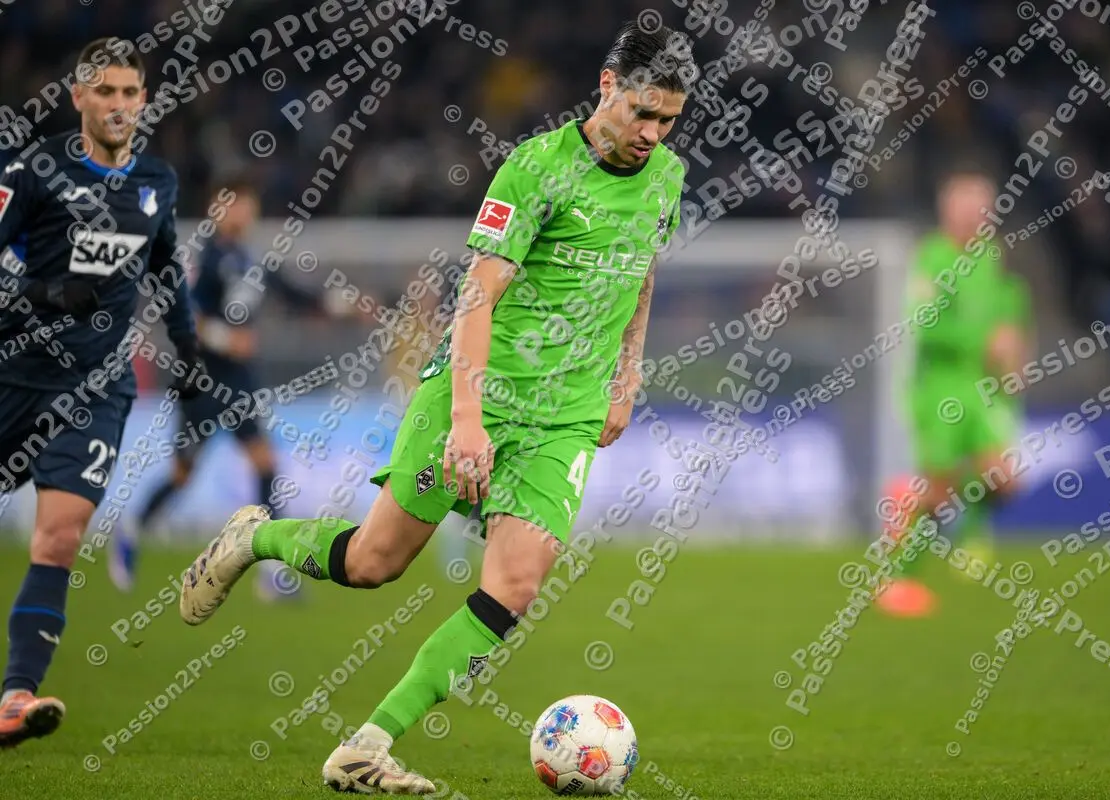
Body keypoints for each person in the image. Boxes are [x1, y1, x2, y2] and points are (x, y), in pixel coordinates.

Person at [178, 20, 692, 794]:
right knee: (373, 562)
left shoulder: (667, 178)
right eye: (643, 112)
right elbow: (477, 296)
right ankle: (255, 537)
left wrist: (627, 373)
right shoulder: (536, 169)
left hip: (567, 416)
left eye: (668, 120)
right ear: (607, 87)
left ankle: (367, 746)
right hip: (480, 394)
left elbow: (640, 271)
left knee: (516, 586)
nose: (652, 133)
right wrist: (467, 421)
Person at [0, 37, 205, 746]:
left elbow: (165, 266)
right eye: (106, 92)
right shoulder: (33, 171)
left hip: (93, 387)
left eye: (130, 93)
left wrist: (187, 348)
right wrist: (46, 292)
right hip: (13, 372)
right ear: (78, 97)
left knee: (59, 537)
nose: (119, 105)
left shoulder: (157, 181)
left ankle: (15, 697)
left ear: (144, 100)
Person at [107, 179, 329, 601]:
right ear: (217, 208)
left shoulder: (249, 258)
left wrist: (334, 304)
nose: (244, 213)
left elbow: (291, 293)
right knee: (183, 475)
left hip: (238, 381)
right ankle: (132, 528)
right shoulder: (200, 256)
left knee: (265, 464)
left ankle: (272, 572)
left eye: (249, 205)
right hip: (201, 380)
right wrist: (227, 339)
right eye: (236, 204)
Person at [878, 172, 1032, 617]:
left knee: (1003, 478)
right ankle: (897, 578)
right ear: (948, 212)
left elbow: (1005, 311)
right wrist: (982, 341)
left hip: (982, 388)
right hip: (939, 388)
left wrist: (1011, 353)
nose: (978, 217)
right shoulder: (932, 257)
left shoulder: (990, 256)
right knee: (940, 492)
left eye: (984, 209)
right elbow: (925, 325)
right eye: (969, 209)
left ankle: (969, 535)